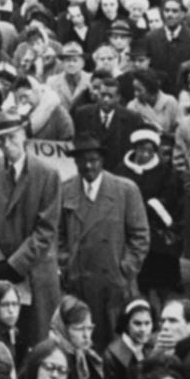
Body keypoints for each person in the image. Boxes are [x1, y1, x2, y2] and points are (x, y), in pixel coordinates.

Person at [0, 121, 65, 350]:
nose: (6, 145)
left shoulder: (47, 174)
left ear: (24, 137)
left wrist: (16, 264)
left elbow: (46, 228)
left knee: (38, 342)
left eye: (11, 137)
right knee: (2, 340)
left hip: (35, 271)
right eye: (1, 140)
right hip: (0, 270)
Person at [57, 134, 147, 344]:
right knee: (83, 338)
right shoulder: (65, 189)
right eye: (82, 161)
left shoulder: (125, 190)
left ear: (102, 160)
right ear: (75, 162)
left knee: (116, 340)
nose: (88, 166)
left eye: (93, 160)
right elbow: (57, 233)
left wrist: (126, 268)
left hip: (114, 282)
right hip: (79, 281)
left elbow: (140, 236)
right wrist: (65, 262)